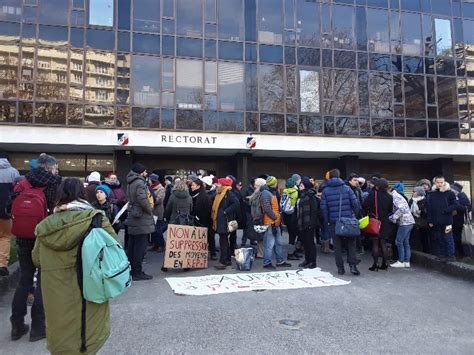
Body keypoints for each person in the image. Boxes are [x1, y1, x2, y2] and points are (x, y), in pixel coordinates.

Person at [33, 178, 115, 354]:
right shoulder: (96, 219)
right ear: (82, 194)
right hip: (89, 289)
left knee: (61, 335)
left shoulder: (45, 226)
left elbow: (37, 259)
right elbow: (115, 250)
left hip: (55, 292)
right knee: (88, 335)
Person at [10, 153, 61, 342]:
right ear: (50, 168)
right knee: (42, 282)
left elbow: (9, 208)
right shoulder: (55, 184)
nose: (57, 171)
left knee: (24, 280)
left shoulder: (23, 182)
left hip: (23, 239)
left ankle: (16, 325)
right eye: (56, 168)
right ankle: (38, 328)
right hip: (45, 238)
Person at [320, 169, 361, 276]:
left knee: (337, 246)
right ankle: (353, 266)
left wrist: (327, 221)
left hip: (334, 222)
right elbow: (355, 204)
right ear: (339, 176)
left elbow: (324, 209)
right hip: (348, 221)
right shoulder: (347, 189)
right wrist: (353, 216)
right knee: (351, 244)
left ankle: (340, 268)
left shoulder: (325, 191)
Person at [126, 163, 155, 281]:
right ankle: (137, 272)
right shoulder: (139, 183)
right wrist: (149, 210)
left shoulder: (130, 182)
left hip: (133, 215)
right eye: (145, 171)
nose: (146, 173)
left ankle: (132, 269)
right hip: (141, 218)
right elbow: (142, 199)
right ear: (140, 172)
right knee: (140, 246)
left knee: (133, 245)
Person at [255, 179, 291, 270]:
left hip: (275, 222)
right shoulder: (266, 193)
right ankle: (267, 263)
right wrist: (275, 217)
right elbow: (267, 208)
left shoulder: (269, 192)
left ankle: (280, 261)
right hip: (270, 222)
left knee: (278, 243)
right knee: (269, 244)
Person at [363, 178, 394, 271]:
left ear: (378, 186)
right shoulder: (389, 196)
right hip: (384, 222)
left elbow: (364, 205)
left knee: (375, 243)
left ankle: (375, 264)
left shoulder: (373, 195)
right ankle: (385, 264)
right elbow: (390, 210)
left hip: (374, 222)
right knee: (383, 243)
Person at [427, 176, 458, 261]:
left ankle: (451, 255)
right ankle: (442, 255)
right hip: (436, 221)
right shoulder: (432, 194)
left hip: (447, 220)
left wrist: (446, 210)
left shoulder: (450, 193)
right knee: (440, 238)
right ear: (435, 183)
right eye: (438, 182)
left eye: (441, 182)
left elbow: (455, 204)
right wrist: (430, 220)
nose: (440, 184)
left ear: (444, 182)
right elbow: (429, 208)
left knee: (448, 238)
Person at [211, 177, 239, 270]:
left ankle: (224, 261)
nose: (217, 185)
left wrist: (225, 211)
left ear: (223, 185)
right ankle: (225, 260)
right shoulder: (220, 193)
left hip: (225, 220)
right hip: (221, 220)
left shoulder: (228, 193)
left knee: (224, 241)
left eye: (219, 184)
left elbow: (236, 203)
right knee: (223, 240)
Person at [0, 152, 20, 277]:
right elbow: (17, 192)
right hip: (6, 213)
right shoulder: (13, 172)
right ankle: (2, 264)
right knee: (5, 237)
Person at [297, 177, 320, 269]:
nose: (299, 187)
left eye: (301, 185)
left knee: (310, 243)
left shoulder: (310, 195)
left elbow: (314, 211)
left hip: (309, 223)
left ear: (305, 186)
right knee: (305, 243)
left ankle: (312, 262)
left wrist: (311, 223)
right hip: (302, 222)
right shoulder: (302, 195)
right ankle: (307, 260)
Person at [389, 188, 415, 268]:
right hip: (409, 221)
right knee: (405, 242)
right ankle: (406, 261)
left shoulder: (395, 197)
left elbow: (402, 208)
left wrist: (393, 217)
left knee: (399, 241)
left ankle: (400, 261)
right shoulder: (398, 196)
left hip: (405, 222)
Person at [190, 179, 213, 258]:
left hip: (204, 220)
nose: (191, 187)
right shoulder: (192, 195)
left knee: (209, 236)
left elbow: (207, 209)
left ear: (198, 186)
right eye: (191, 185)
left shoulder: (205, 196)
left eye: (193, 185)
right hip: (196, 219)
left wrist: (199, 217)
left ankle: (212, 253)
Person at [451, 182, 472, 257]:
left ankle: (461, 254)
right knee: (452, 238)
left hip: (458, 221)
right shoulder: (449, 196)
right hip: (450, 221)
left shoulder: (462, 196)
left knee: (458, 239)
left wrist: (456, 205)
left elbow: (468, 208)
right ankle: (455, 254)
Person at [282, 177, 300, 260]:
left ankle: (292, 252)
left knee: (291, 235)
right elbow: (295, 204)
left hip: (286, 216)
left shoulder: (285, 192)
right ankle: (290, 254)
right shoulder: (295, 192)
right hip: (293, 216)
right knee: (292, 236)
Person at [409, 187, 430, 253]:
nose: (413, 193)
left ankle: (426, 251)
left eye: (414, 191)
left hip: (422, 221)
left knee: (424, 237)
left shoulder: (425, 200)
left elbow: (428, 210)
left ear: (419, 193)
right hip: (413, 221)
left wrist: (422, 211)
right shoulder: (411, 200)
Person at [149, 174, 166, 253]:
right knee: (153, 230)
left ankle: (161, 245)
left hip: (157, 212)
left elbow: (159, 200)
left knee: (158, 229)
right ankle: (155, 244)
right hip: (151, 212)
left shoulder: (161, 189)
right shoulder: (149, 188)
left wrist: (150, 200)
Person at [241, 178, 257, 247]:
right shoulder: (247, 190)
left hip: (254, 211)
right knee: (247, 226)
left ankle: (252, 240)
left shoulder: (256, 190)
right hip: (248, 211)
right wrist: (250, 202)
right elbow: (243, 199)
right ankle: (243, 241)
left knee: (253, 226)